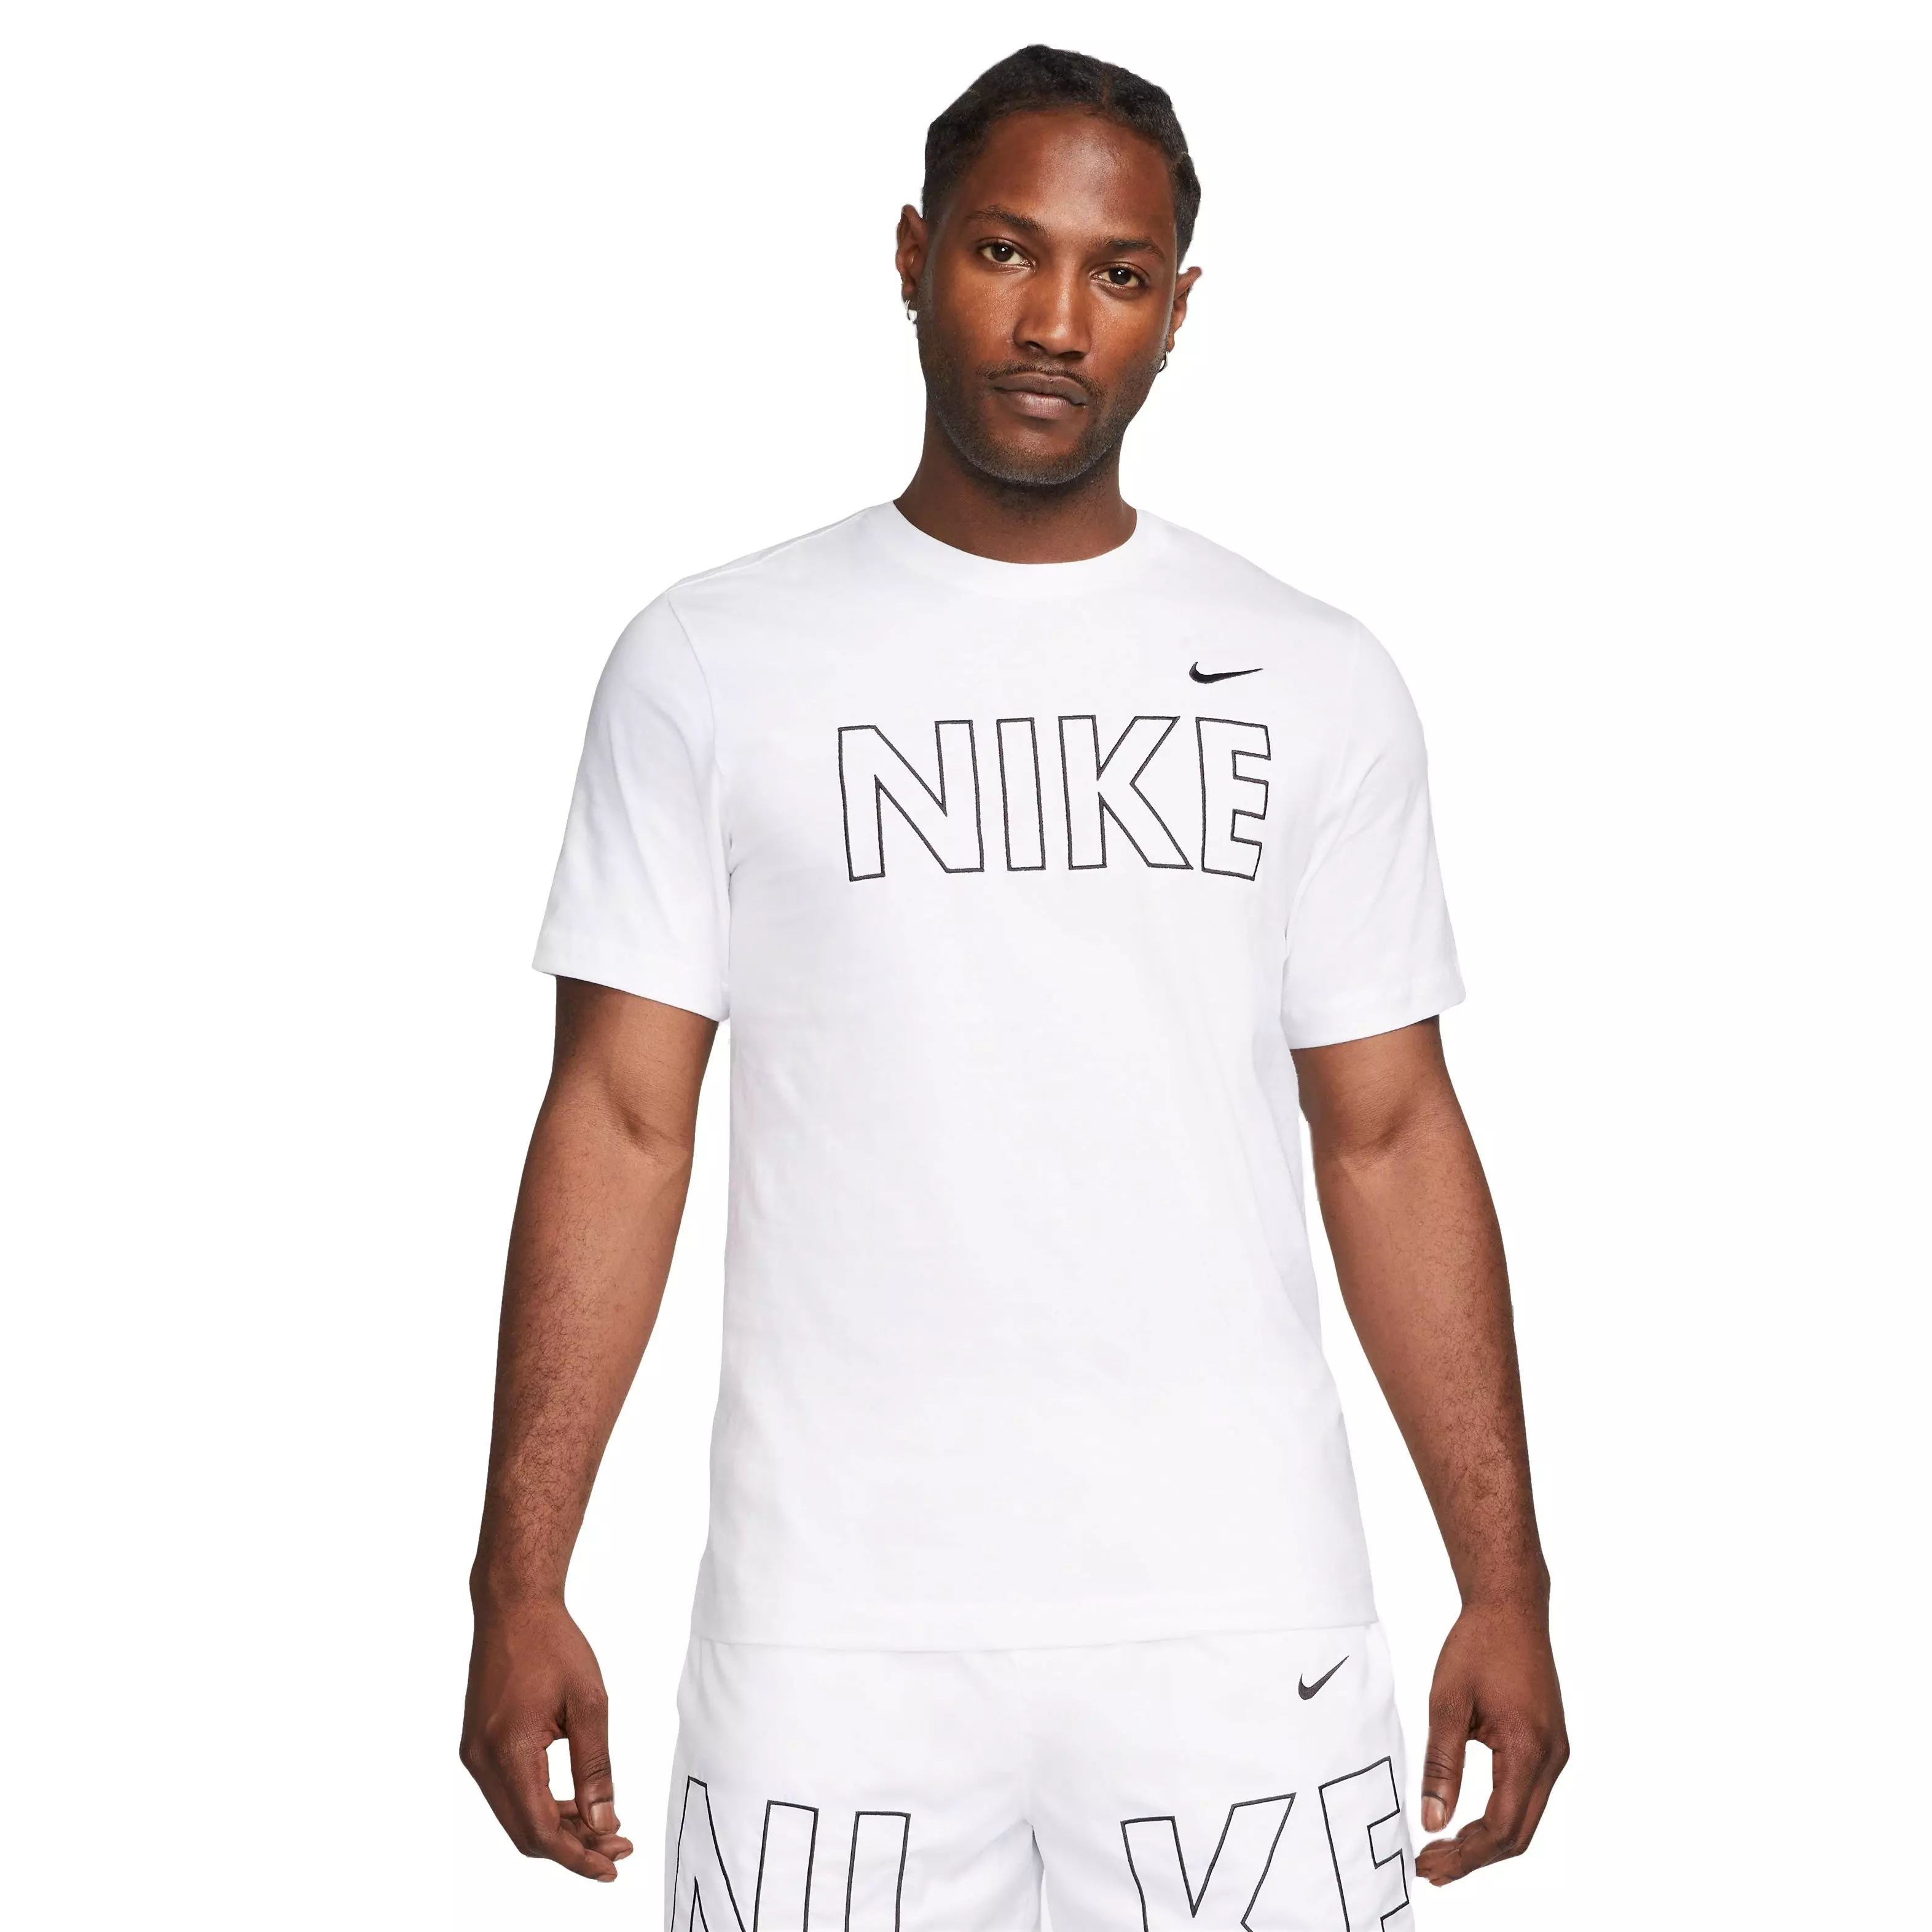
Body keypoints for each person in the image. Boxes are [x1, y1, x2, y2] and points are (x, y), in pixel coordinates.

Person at [461, 43, 1567, 1928]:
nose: (1057, 320)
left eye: (1116, 273)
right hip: (831, 1634)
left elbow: (1388, 1135)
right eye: (1004, 251)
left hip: (1242, 1629)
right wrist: (519, 1578)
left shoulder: (1315, 676)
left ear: (1175, 309)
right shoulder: (711, 662)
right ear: (913, 256)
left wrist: (1508, 1583)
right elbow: (624, 1124)